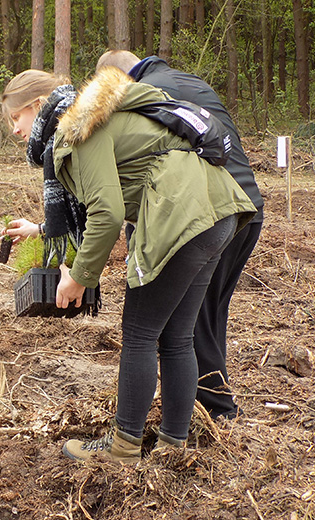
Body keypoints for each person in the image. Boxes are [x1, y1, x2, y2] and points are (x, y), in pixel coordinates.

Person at [0, 67, 257, 463]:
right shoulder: (98, 116)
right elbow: (108, 202)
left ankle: (123, 446)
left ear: (36, 105)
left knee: (139, 333)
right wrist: (45, 232)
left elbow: (106, 213)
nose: (15, 130)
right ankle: (173, 445)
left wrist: (80, 279)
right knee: (177, 337)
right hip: (216, 213)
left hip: (183, 216)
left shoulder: (77, 130)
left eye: (15, 118)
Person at [95, 50, 265, 420]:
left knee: (184, 327)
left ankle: (215, 413)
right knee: (207, 317)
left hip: (205, 211)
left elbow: (154, 167)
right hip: (245, 207)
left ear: (116, 80)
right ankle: (200, 412)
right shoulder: (186, 80)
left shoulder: (146, 95)